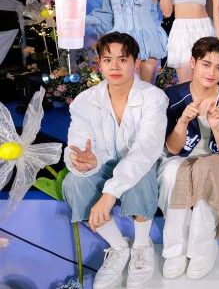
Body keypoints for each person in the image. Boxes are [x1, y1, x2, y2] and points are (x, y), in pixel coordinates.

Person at [62, 32, 167, 289]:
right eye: (108, 60)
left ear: (135, 62)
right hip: (103, 165)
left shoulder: (153, 97)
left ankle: (141, 245)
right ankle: (118, 247)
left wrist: (110, 193)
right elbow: (76, 145)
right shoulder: (84, 102)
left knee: (140, 172)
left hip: (140, 165)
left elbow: (145, 150)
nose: (115, 67)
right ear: (99, 63)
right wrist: (84, 162)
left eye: (123, 59)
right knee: (73, 183)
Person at [157, 37, 219, 280]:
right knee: (171, 173)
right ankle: (175, 250)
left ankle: (202, 247)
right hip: (181, 157)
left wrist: (217, 126)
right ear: (193, 62)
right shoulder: (172, 96)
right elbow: (172, 149)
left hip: (216, 159)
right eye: (206, 64)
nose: (212, 73)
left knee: (206, 171)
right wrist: (182, 122)